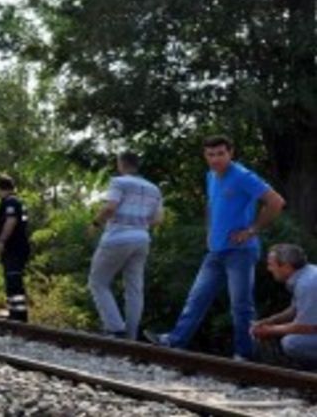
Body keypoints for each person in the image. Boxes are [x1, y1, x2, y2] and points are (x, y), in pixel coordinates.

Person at [145, 135, 285, 359]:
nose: (216, 159)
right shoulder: (211, 175)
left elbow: (276, 202)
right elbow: (211, 204)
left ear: (231, 153)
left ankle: (244, 355)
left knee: (241, 305)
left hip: (241, 251)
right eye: (211, 154)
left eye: (221, 153)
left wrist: (251, 230)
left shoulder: (242, 176)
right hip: (216, 251)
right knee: (196, 298)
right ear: (205, 156)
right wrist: (209, 232)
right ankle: (174, 341)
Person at [88, 152, 164, 340]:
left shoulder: (119, 182)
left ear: (121, 164)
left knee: (98, 282)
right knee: (134, 288)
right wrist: (139, 224)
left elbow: (110, 207)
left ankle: (115, 329)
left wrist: (95, 224)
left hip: (117, 238)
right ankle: (130, 336)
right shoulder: (154, 189)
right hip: (142, 239)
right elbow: (158, 219)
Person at [252, 244, 317, 370]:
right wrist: (270, 321)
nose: (269, 269)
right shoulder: (308, 274)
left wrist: (269, 330)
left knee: (292, 343)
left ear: (286, 267)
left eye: (272, 264)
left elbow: (307, 327)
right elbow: (295, 309)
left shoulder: (306, 285)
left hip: (309, 328)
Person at [0, 175, 31, 322]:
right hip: (16, 247)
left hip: (14, 247)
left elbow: (11, 221)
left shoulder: (11, 202)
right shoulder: (16, 201)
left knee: (14, 279)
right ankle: (15, 313)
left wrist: (1, 240)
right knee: (12, 279)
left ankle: (19, 315)